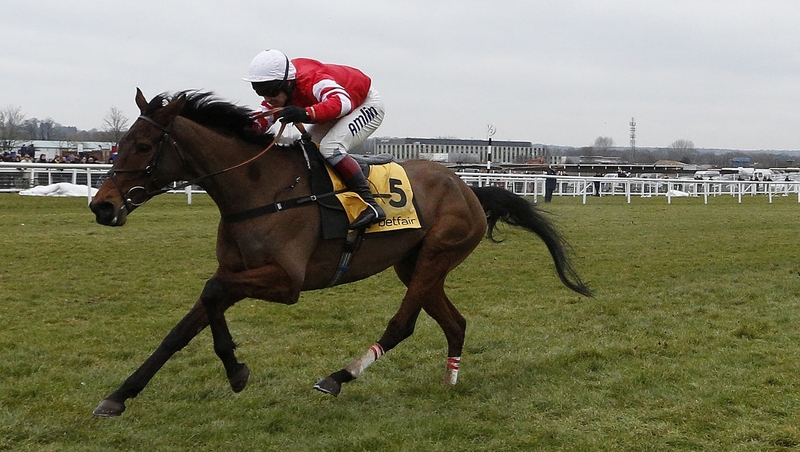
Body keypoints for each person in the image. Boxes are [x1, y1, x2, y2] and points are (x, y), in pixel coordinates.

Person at [243, 49, 386, 230]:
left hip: (365, 104)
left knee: (330, 148)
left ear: (287, 83)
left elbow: (343, 102)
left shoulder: (312, 79)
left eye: (270, 91)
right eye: (260, 91)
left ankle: (371, 204)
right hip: (337, 107)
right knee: (308, 149)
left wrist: (305, 113)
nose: (267, 98)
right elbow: (262, 118)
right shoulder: (283, 87)